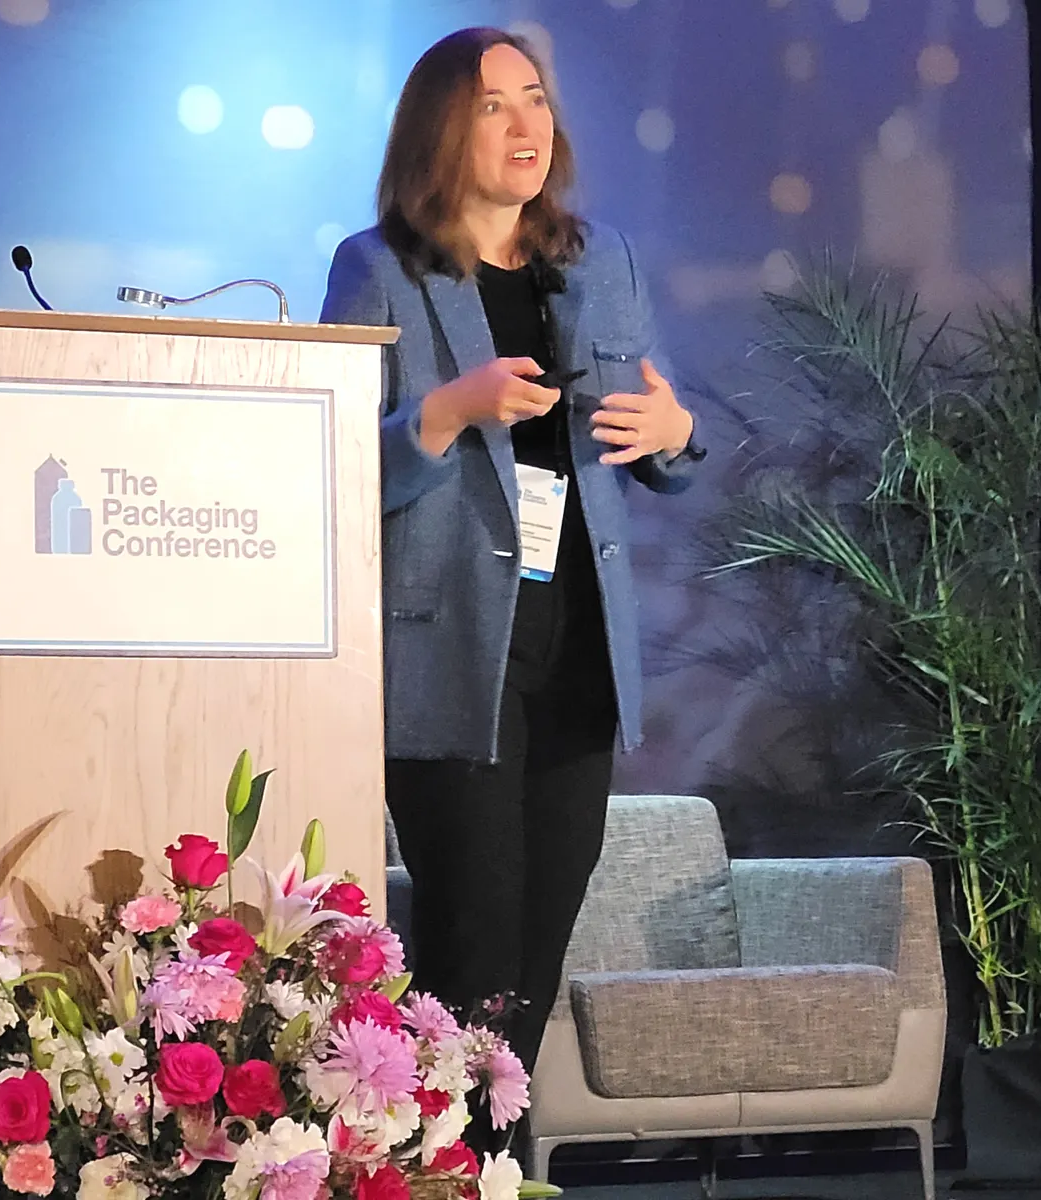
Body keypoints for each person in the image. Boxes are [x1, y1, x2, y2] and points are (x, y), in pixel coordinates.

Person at [319, 26, 702, 1120]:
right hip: (454, 651)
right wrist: (445, 411)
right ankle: (428, 1166)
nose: (527, 124)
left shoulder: (600, 261)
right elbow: (333, 466)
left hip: (578, 642)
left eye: (534, 100)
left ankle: (486, 1165)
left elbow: (658, 447)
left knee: (536, 949)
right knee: (471, 941)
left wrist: (675, 430)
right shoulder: (378, 267)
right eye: (495, 106)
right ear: (445, 128)